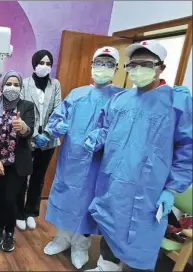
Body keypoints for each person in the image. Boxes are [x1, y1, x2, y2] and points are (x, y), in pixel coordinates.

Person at [84, 40, 192, 271]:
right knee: (110, 226)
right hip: (114, 182)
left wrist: (171, 189)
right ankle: (106, 267)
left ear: (160, 67)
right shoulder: (120, 99)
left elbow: (187, 148)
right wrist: (93, 138)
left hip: (149, 189)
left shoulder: (177, 102)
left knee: (140, 238)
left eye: (145, 64)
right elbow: (105, 128)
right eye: (133, 64)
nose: (138, 70)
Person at [42, 47, 123, 269]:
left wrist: (101, 136)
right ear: (91, 65)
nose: (102, 68)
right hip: (71, 159)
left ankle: (80, 246)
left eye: (108, 64)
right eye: (99, 63)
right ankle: (61, 239)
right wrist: (55, 128)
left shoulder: (120, 98)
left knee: (87, 204)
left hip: (98, 164)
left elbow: (121, 129)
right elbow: (57, 118)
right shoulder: (77, 94)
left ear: (116, 69)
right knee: (65, 198)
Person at [0, 70, 35, 252]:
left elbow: (29, 132)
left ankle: (9, 231)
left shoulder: (27, 106)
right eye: (9, 83)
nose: (12, 88)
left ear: (21, 87)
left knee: (10, 198)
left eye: (16, 84)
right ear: (2, 84)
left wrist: (23, 128)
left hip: (17, 163)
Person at [17, 50, 62, 231]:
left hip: (48, 141)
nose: (45, 66)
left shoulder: (55, 84)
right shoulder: (25, 84)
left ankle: (31, 212)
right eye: (41, 62)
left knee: (38, 178)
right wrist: (35, 134)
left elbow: (58, 110)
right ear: (34, 63)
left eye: (48, 63)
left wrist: (48, 133)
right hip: (27, 138)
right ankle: (18, 212)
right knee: (22, 176)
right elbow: (21, 110)